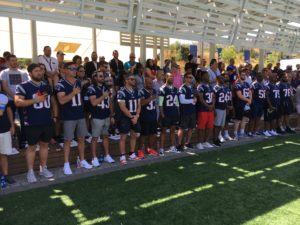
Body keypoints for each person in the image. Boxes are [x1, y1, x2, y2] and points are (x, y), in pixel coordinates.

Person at [15, 63, 58, 183]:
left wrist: (54, 116)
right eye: (36, 71)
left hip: (46, 121)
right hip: (32, 122)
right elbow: (17, 102)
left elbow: (53, 101)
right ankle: (30, 171)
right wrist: (35, 100)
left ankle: (43, 168)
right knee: (32, 147)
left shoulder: (46, 85)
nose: (39, 73)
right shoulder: (23, 86)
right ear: (30, 73)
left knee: (45, 145)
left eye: (40, 70)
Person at [55, 62, 92, 175]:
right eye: (71, 69)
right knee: (68, 140)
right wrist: (73, 92)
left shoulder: (78, 82)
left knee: (81, 138)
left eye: (75, 69)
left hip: (80, 115)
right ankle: (66, 164)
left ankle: (82, 160)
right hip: (69, 116)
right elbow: (61, 100)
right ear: (65, 70)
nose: (74, 71)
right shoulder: (60, 84)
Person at [0, 54, 29, 148]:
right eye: (12, 60)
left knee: (24, 121)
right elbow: (5, 87)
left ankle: (23, 141)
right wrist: (15, 97)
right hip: (10, 101)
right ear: (8, 62)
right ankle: (11, 143)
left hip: (21, 100)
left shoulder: (23, 73)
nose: (15, 62)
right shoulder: (4, 73)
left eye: (16, 60)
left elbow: (25, 86)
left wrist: (21, 98)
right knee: (10, 121)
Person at [87, 71, 115, 166]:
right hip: (97, 116)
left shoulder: (106, 87)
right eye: (100, 76)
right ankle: (94, 157)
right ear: (95, 77)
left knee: (105, 136)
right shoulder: (91, 88)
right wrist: (103, 96)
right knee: (95, 137)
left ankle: (107, 155)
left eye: (103, 76)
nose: (102, 78)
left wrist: (111, 115)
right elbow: (93, 103)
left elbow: (110, 101)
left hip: (106, 115)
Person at [117, 73, 141, 165]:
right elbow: (122, 107)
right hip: (125, 117)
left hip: (135, 116)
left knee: (134, 135)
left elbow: (139, 105)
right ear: (126, 80)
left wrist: (137, 115)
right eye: (131, 79)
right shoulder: (121, 92)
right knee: (123, 136)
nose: (133, 81)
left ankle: (131, 153)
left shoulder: (136, 91)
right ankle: (122, 155)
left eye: (134, 79)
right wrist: (131, 117)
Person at [159, 72, 180, 155]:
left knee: (173, 130)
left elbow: (177, 101)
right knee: (163, 131)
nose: (171, 78)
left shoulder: (175, 89)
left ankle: (172, 146)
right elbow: (160, 103)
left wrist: (178, 111)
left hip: (174, 112)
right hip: (166, 113)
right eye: (169, 76)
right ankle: (161, 148)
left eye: (172, 76)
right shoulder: (162, 89)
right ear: (166, 77)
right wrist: (162, 113)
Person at [138, 77, 159, 159]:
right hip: (144, 117)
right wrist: (150, 98)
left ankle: (150, 149)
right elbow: (142, 103)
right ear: (145, 83)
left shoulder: (154, 91)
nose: (151, 85)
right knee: (143, 135)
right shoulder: (141, 92)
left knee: (152, 134)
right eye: (149, 83)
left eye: (151, 83)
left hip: (153, 116)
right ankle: (140, 151)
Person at [177, 72, 197, 151]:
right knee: (182, 128)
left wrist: (194, 100)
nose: (190, 79)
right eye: (188, 77)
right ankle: (178, 145)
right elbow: (182, 100)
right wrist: (192, 100)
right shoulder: (183, 88)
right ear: (185, 78)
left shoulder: (191, 87)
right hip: (185, 111)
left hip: (192, 110)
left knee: (191, 128)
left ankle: (187, 143)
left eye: (191, 77)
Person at [196, 71, 215, 149]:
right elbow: (200, 98)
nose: (208, 77)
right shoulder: (200, 87)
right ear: (203, 77)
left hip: (210, 110)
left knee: (210, 126)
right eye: (207, 75)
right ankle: (199, 143)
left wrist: (213, 105)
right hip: (203, 109)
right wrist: (208, 106)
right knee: (201, 127)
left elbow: (214, 97)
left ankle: (206, 141)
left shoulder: (210, 86)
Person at [0, 91, 15, 187]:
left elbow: (8, 110)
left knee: (3, 154)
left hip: (4, 129)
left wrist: (12, 125)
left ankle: (5, 175)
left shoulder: (3, 95)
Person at [233, 69, 252, 140]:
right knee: (238, 120)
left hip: (246, 104)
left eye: (244, 75)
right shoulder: (237, 84)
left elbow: (250, 93)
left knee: (244, 119)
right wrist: (248, 100)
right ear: (239, 75)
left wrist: (250, 100)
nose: (244, 76)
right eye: (242, 75)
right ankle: (235, 135)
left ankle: (241, 133)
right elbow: (239, 95)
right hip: (239, 104)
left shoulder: (246, 83)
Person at [213, 75, 228, 146]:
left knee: (220, 125)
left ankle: (217, 137)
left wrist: (226, 107)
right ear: (217, 79)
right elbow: (214, 99)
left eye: (223, 78)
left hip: (223, 108)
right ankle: (215, 139)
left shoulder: (224, 87)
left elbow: (225, 99)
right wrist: (214, 109)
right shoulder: (216, 88)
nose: (223, 79)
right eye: (221, 78)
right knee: (216, 125)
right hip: (218, 108)